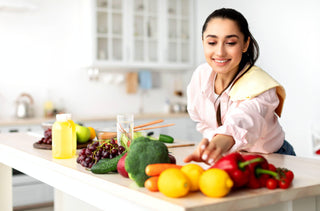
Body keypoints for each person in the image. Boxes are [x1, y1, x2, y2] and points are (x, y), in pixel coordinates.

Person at [184, 8, 295, 166]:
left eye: (230, 43)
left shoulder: (261, 85)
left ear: (245, 44)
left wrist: (221, 142)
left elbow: (245, 120)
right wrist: (212, 146)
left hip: (272, 159)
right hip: (231, 158)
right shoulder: (201, 75)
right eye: (212, 42)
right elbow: (201, 121)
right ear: (203, 42)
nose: (220, 52)